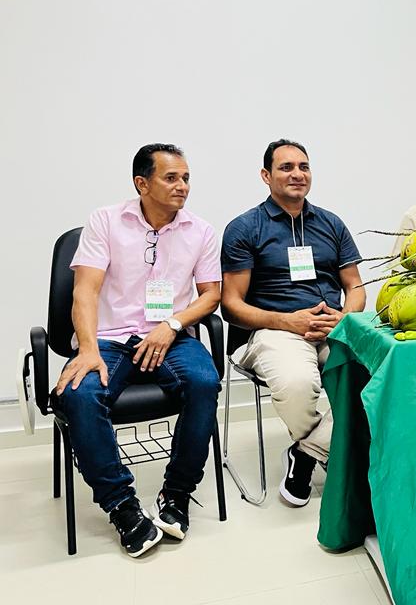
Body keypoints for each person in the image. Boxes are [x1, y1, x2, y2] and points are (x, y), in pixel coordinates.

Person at [53, 144, 222, 557]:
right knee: (78, 394)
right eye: (171, 178)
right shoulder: (106, 221)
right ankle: (122, 506)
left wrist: (172, 324)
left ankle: (176, 494)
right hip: (110, 339)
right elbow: (85, 291)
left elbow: (211, 295)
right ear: (141, 183)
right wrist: (88, 349)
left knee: (204, 381)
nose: (182, 186)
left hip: (172, 337)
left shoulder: (200, 230)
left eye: (185, 178)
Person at [221, 139, 365, 507]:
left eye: (304, 166)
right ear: (266, 176)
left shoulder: (332, 224)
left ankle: (306, 454)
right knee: (299, 383)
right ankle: (329, 450)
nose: (297, 174)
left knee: (378, 378)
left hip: (331, 327)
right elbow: (231, 305)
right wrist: (289, 321)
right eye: (286, 167)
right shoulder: (244, 228)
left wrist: (343, 319)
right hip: (273, 331)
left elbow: (355, 286)